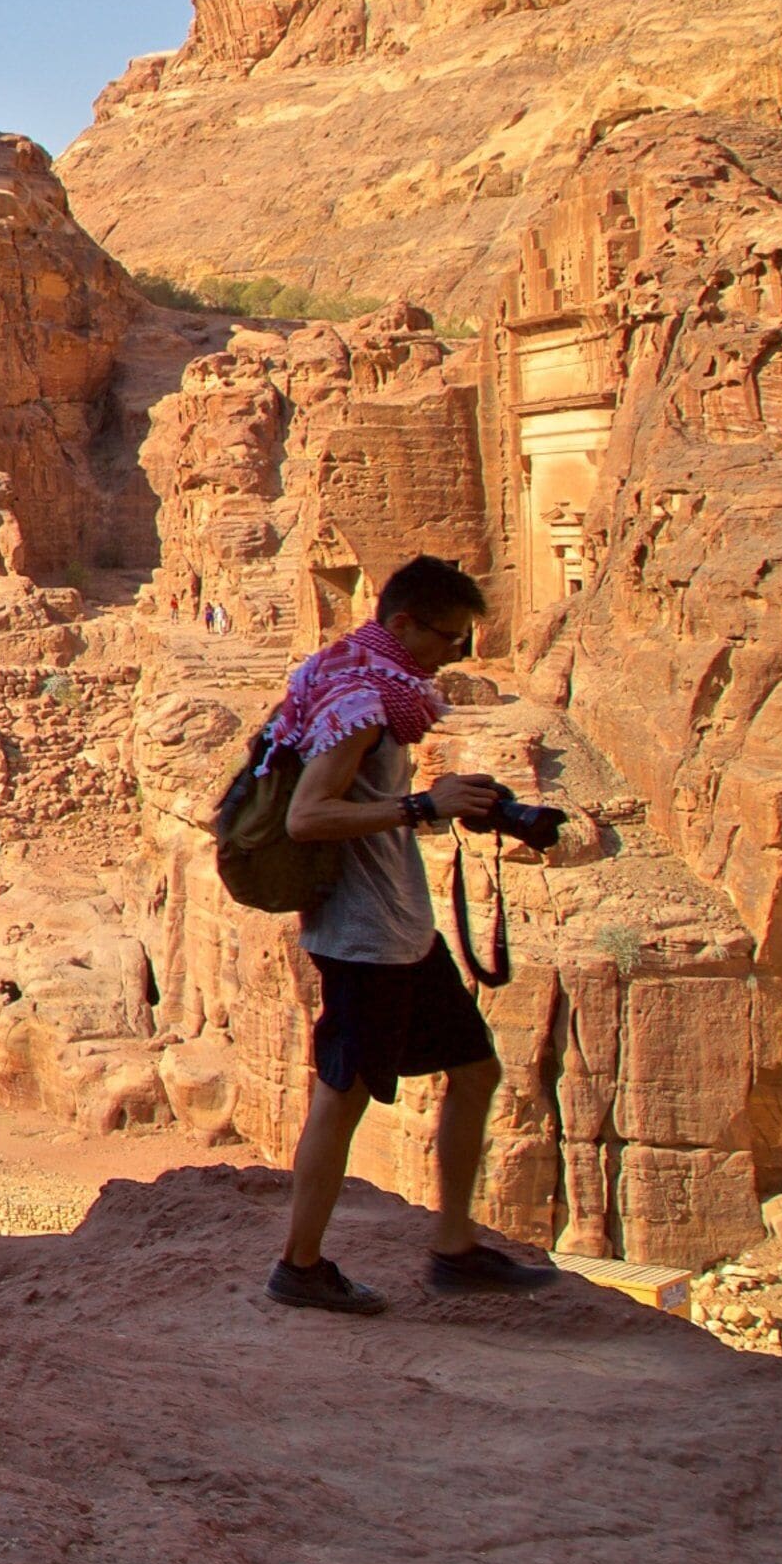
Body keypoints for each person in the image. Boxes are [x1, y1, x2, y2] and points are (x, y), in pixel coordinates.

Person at [266, 554, 560, 1314]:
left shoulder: (370, 683)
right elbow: (307, 817)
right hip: (363, 939)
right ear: (402, 624)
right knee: (342, 1097)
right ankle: (299, 1268)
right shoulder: (362, 701)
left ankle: (455, 1247)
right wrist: (425, 809)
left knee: (474, 1069)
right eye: (449, 637)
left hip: (403, 931)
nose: (456, 655)